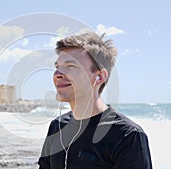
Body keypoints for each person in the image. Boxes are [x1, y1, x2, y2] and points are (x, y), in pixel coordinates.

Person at [38, 32, 152, 169]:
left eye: (71, 66)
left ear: (100, 77)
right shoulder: (57, 126)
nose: (57, 74)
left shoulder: (128, 136)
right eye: (57, 67)